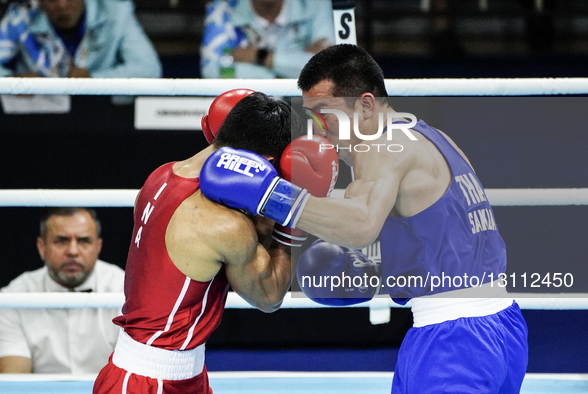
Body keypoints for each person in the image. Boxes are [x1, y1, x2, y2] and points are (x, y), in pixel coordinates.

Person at [201, 44, 529, 393]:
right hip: (501, 324)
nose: (319, 131)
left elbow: (360, 224)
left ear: (366, 105)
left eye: (325, 115)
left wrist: (270, 195)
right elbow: (448, 236)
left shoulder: (381, 148)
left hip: (453, 339)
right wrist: (376, 268)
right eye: (311, 118)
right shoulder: (431, 137)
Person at [92, 91, 337, 393]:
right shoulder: (223, 224)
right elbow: (270, 295)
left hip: (175, 371)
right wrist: (293, 215)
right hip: (148, 383)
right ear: (269, 163)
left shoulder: (160, 175)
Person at [0, 207, 124, 374]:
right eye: (61, 240)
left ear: (98, 247)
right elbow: (14, 380)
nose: (72, 251)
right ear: (41, 247)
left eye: (84, 241)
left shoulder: (125, 291)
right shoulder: (12, 297)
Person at [0, 0, 161, 78]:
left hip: (99, 116)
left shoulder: (116, 11)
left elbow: (149, 69)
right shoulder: (20, 16)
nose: (62, 5)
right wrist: (12, 81)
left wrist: (94, 79)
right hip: (36, 119)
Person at [200, 0, 334, 79]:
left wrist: (260, 57)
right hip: (249, 107)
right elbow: (213, 71)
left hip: (305, 106)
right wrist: (284, 77)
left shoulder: (316, 3)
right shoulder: (223, 8)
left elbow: (329, 67)